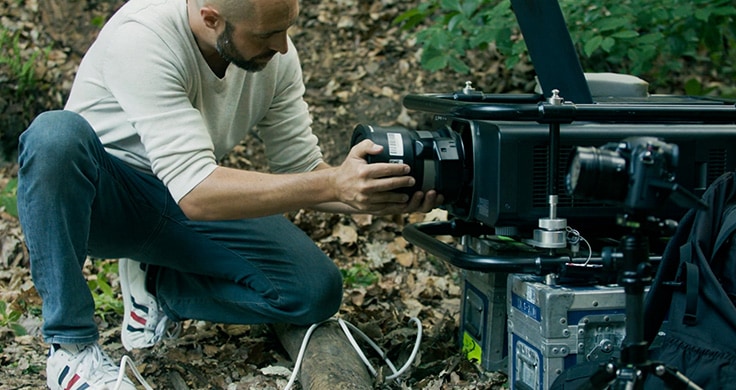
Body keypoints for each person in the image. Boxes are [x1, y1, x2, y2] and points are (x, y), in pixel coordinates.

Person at [16, 0, 442, 388]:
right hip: (104, 203)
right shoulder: (142, 37)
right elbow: (198, 191)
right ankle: (71, 350)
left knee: (314, 291)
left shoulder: (277, 56)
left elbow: (303, 170)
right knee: (54, 136)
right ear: (210, 18)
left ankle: (158, 284)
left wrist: (374, 192)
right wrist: (333, 184)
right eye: (265, 35)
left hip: (184, 199)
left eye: (286, 28)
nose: (281, 46)